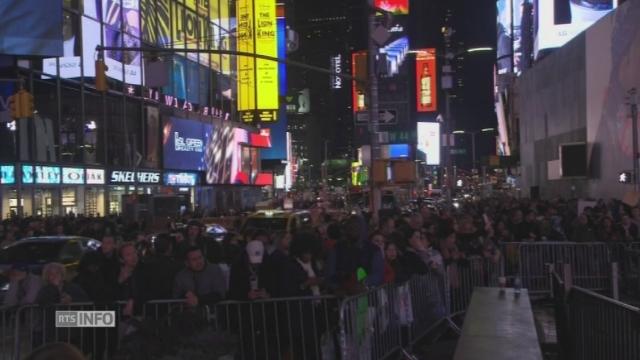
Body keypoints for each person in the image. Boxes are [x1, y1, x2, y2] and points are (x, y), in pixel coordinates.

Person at [142, 234, 183, 300]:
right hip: (171, 301)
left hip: (151, 301)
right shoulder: (177, 265)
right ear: (170, 247)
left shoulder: (146, 264)